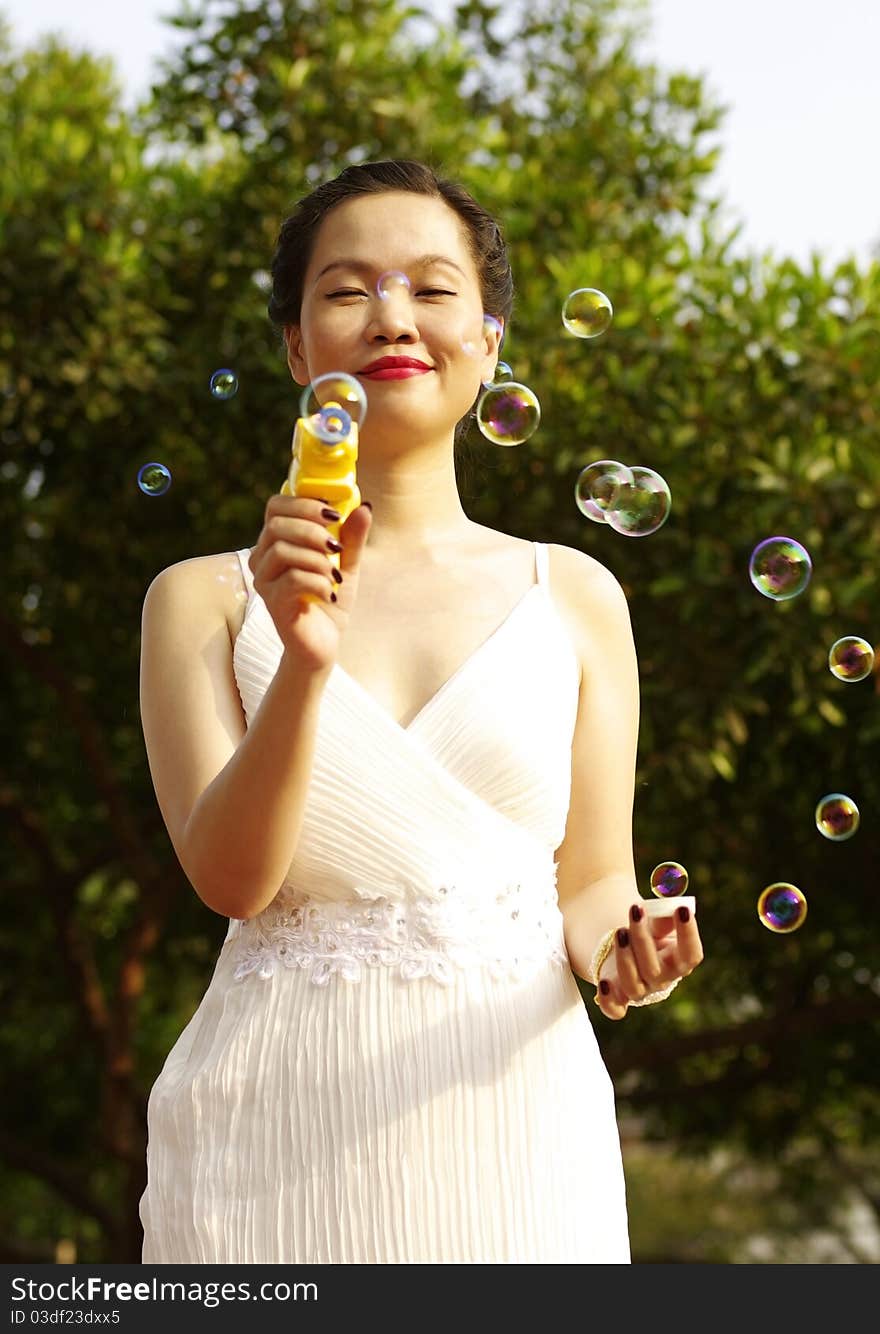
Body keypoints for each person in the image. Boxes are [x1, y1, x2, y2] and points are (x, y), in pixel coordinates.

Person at [137, 158, 704, 1265]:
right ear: (298, 348)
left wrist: (627, 946)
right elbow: (232, 878)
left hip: (515, 1127)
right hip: (274, 1126)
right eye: (346, 290)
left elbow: (589, 884)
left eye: (432, 288)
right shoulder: (199, 600)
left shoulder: (577, 592)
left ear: (489, 340)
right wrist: (302, 659)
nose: (392, 314)